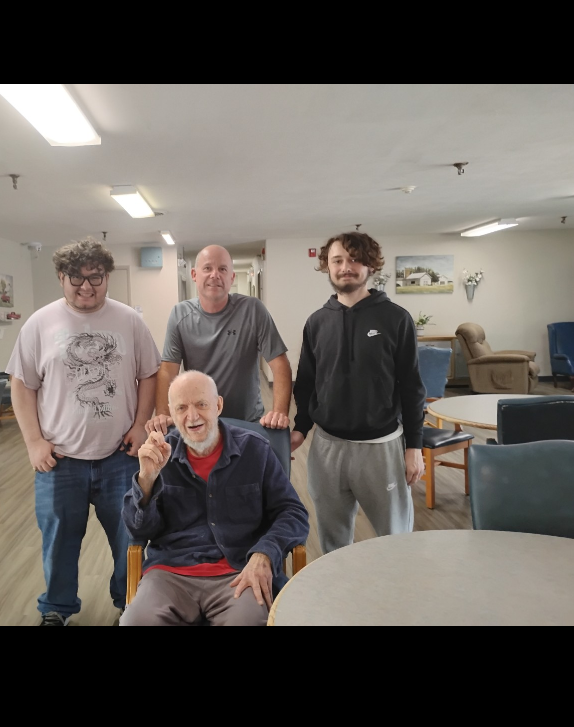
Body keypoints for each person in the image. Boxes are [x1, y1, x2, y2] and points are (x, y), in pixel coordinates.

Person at [7, 236, 160, 626]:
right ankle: (56, 608)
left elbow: (149, 373)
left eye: (96, 277)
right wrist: (33, 442)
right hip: (59, 461)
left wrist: (140, 425)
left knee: (130, 538)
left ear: (107, 277)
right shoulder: (39, 324)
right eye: (77, 278)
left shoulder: (129, 320)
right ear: (62, 277)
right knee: (58, 541)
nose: (87, 286)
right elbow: (21, 385)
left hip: (119, 457)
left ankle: (130, 601)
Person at [121, 371, 309, 627]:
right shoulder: (159, 454)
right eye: (181, 408)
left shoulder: (255, 449)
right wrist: (146, 479)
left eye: (201, 404)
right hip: (170, 572)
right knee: (135, 622)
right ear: (171, 413)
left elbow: (293, 513)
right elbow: (139, 531)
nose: (192, 416)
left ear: (218, 405)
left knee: (249, 622)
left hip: (238, 571)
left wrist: (265, 553)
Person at [292, 232, 426, 551]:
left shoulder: (396, 319)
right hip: (327, 449)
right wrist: (300, 428)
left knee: (395, 541)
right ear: (327, 266)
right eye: (337, 260)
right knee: (333, 543)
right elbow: (307, 382)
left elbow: (412, 386)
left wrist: (414, 446)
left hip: (381, 447)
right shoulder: (316, 323)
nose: (345, 267)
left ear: (370, 265)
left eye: (354, 259)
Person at [149, 245, 292, 435]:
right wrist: (162, 414)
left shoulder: (252, 310)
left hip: (247, 423)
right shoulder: (180, 314)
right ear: (194, 274)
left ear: (231, 277)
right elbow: (167, 370)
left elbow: (279, 363)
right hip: (198, 423)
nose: (215, 275)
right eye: (207, 268)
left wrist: (279, 412)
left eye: (222, 269)